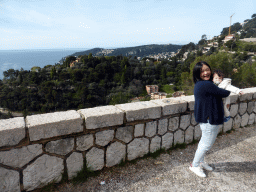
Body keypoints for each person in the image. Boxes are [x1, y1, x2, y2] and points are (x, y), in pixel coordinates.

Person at [190, 61, 230, 177]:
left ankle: (201, 162)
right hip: (209, 119)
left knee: (204, 142)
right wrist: (225, 83)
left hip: (206, 118)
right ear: (197, 73)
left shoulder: (201, 84)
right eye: (202, 71)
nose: (206, 72)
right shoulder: (206, 84)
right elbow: (225, 93)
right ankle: (195, 165)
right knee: (206, 144)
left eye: (207, 69)